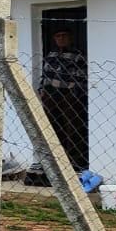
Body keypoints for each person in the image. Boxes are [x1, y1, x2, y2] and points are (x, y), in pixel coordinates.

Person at [39, 28, 88, 170]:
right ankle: (55, 159)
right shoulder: (51, 54)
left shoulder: (77, 55)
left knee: (72, 128)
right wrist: (42, 90)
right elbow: (45, 73)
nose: (61, 39)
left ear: (70, 38)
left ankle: (73, 161)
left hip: (69, 96)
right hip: (50, 95)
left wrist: (75, 94)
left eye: (64, 36)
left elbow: (81, 77)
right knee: (52, 127)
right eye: (58, 36)